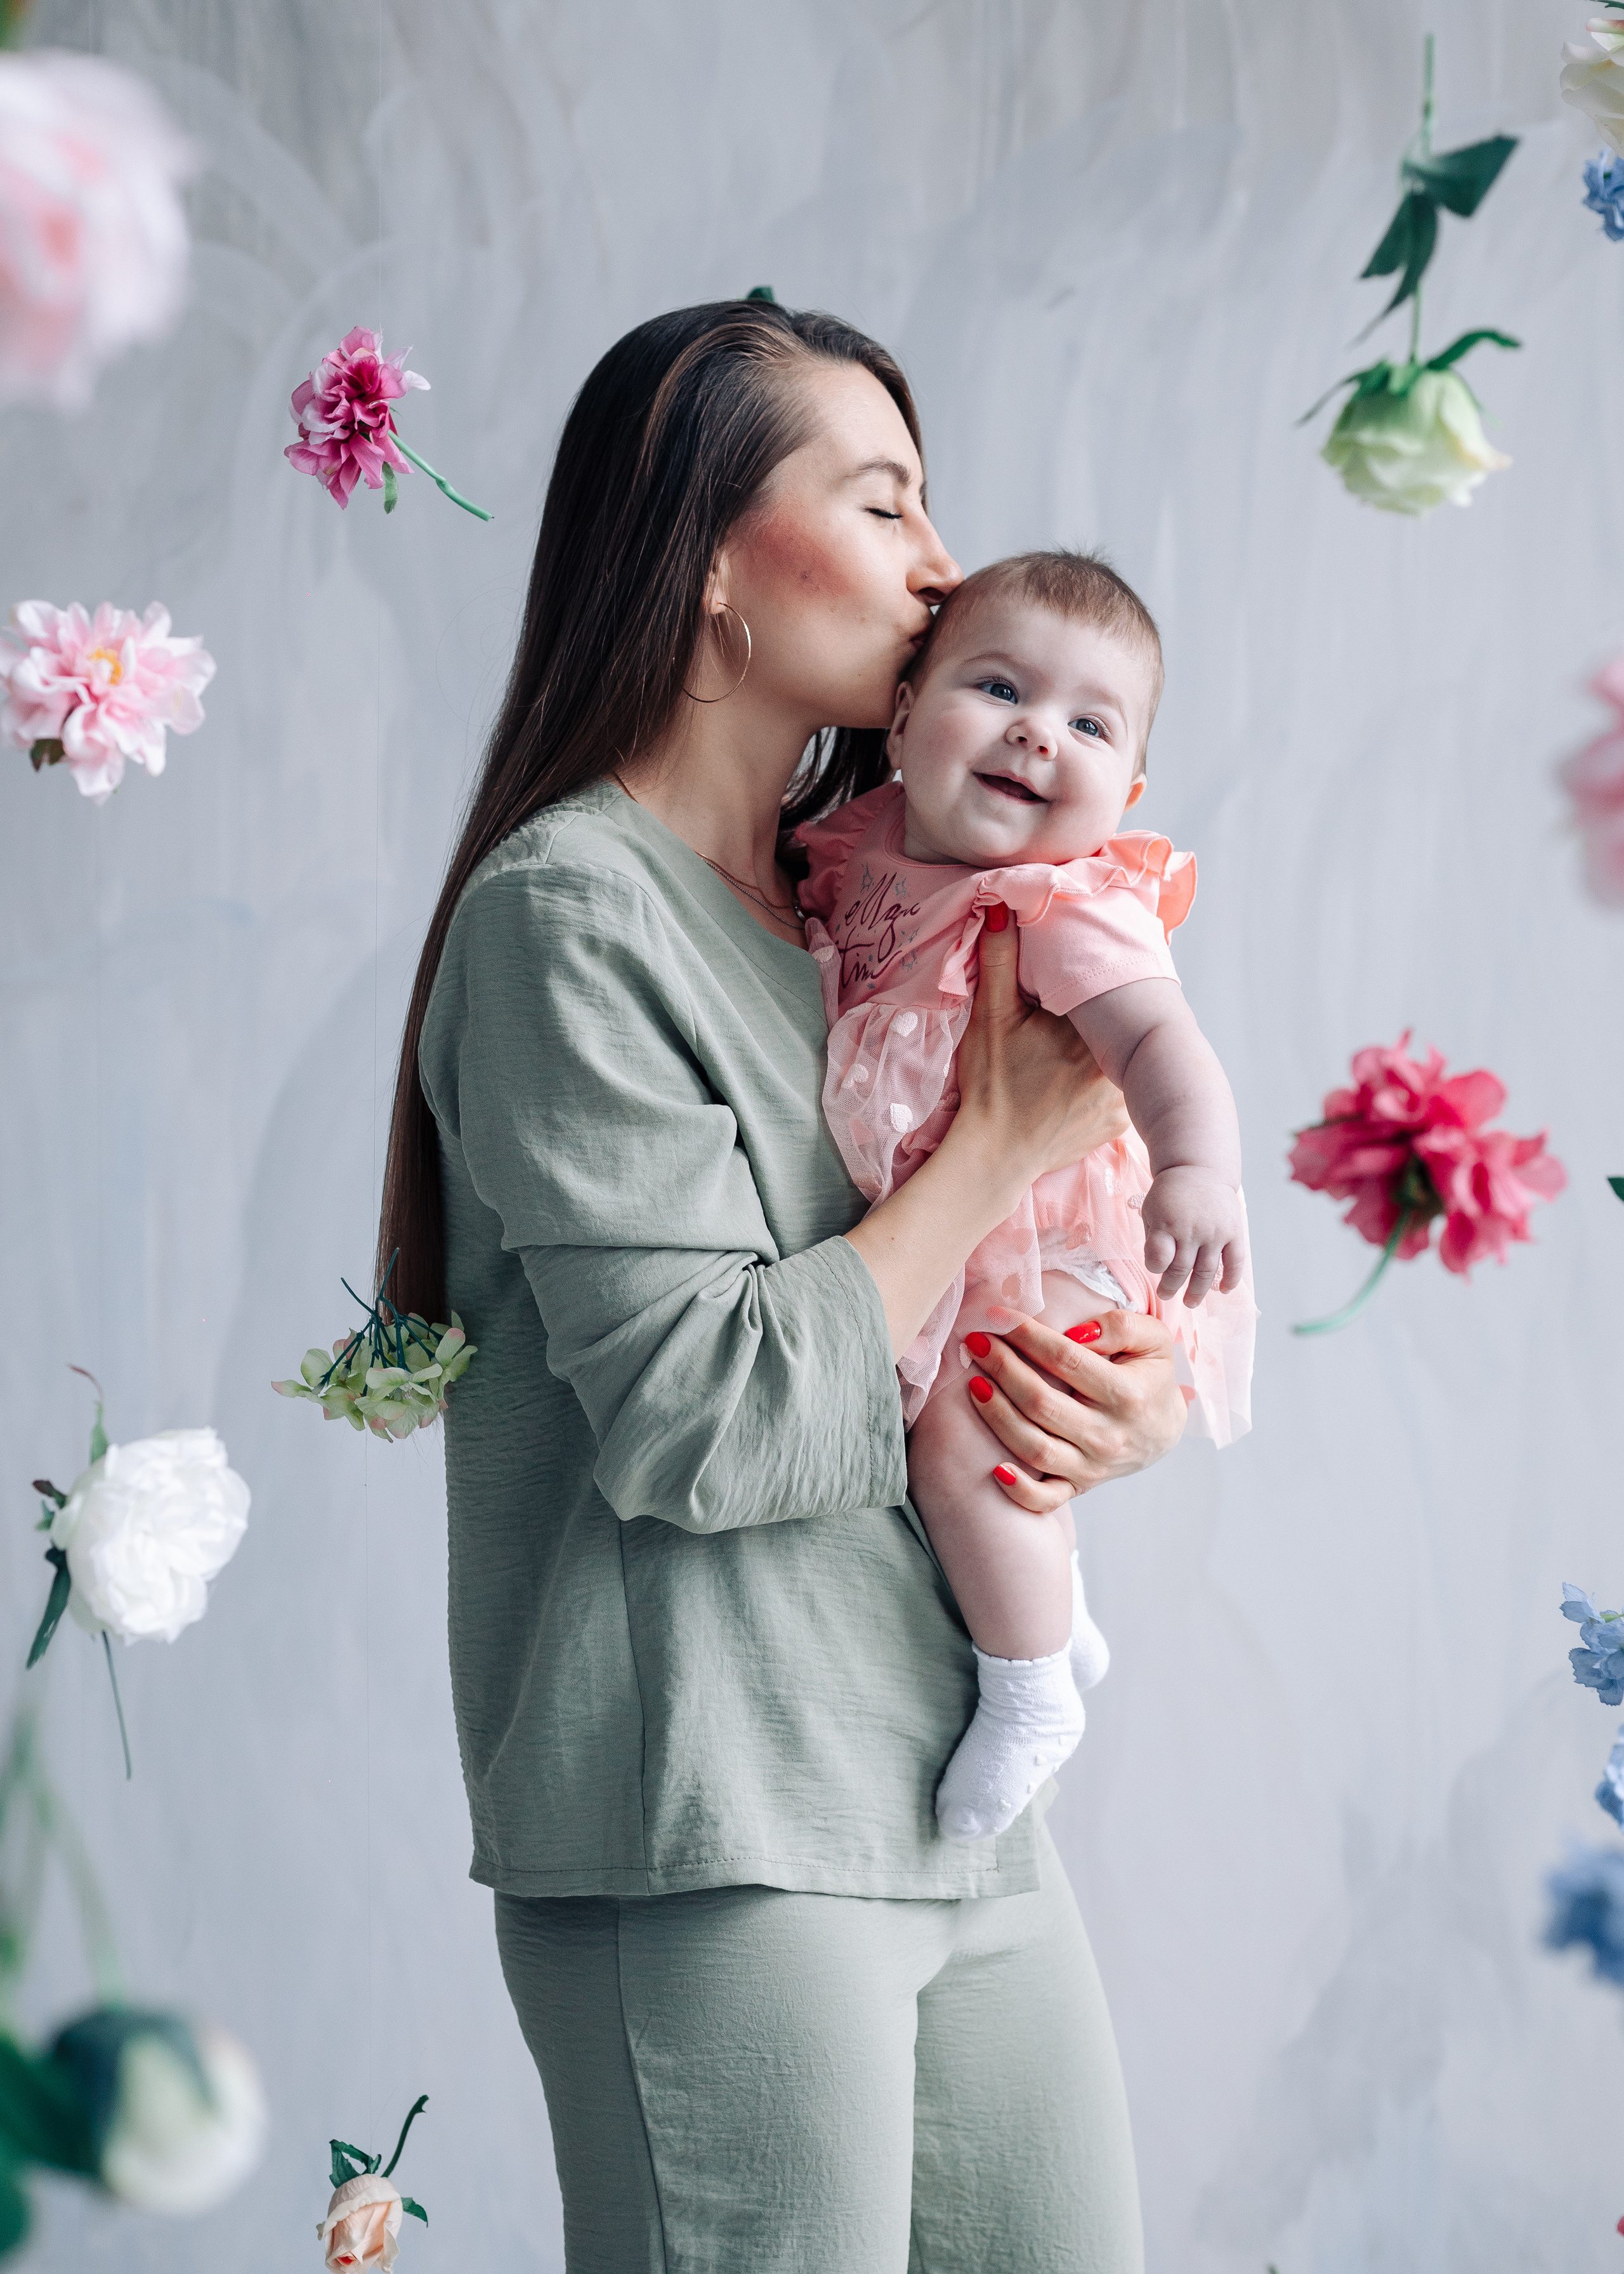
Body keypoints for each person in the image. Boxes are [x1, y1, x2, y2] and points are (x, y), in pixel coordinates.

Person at [377, 298, 1188, 2274]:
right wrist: (999, 1139)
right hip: (714, 1820)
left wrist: (1113, 1400)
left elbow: (949, 1308)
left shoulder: (860, 900)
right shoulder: (570, 915)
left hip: (944, 1788)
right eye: (886, 499)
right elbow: (714, 1422)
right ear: (714, 561)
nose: (941, 564)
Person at [797, 550, 1257, 1846]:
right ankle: (1048, 1609)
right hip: (948, 1209)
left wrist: (1196, 1174)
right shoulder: (855, 848)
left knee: (966, 1436)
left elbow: (1165, 1048)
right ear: (898, 716)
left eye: (1086, 723)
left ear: (1127, 794)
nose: (1032, 733)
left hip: (1043, 1231)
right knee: (964, 1449)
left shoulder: (1064, 907)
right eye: (995, 686)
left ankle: (1028, 1689)